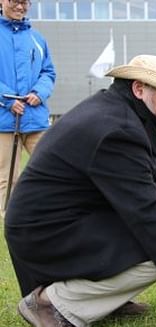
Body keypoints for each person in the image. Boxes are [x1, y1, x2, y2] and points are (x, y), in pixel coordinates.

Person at [4, 55, 156, 327]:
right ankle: (52, 305)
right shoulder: (117, 128)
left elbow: (104, 171)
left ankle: (104, 302)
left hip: (53, 223)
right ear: (138, 89)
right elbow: (146, 216)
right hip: (45, 234)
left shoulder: (112, 111)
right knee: (154, 254)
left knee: (146, 243)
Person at [0, 0, 55, 218]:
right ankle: (6, 219)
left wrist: (38, 93)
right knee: (6, 176)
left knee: (53, 168)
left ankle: (50, 214)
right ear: (3, 1)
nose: (20, 7)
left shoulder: (37, 38)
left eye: (25, 2)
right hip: (4, 121)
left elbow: (48, 72)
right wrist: (8, 100)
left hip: (35, 120)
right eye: (15, 1)